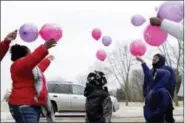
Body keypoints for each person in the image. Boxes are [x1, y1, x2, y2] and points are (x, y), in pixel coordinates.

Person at [8, 39, 57, 123]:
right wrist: (44, 47)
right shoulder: (18, 64)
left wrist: (48, 60)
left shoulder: (28, 69)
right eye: (29, 53)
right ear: (24, 55)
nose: (31, 54)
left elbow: (40, 68)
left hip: (28, 106)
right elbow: (32, 59)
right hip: (24, 106)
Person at [136, 55, 175, 123]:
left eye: (156, 58)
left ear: (161, 59)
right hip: (152, 99)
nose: (154, 58)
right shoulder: (151, 71)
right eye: (153, 57)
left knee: (165, 117)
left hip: (163, 97)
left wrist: (169, 94)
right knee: (151, 118)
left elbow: (172, 82)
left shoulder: (168, 69)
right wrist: (146, 94)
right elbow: (146, 82)